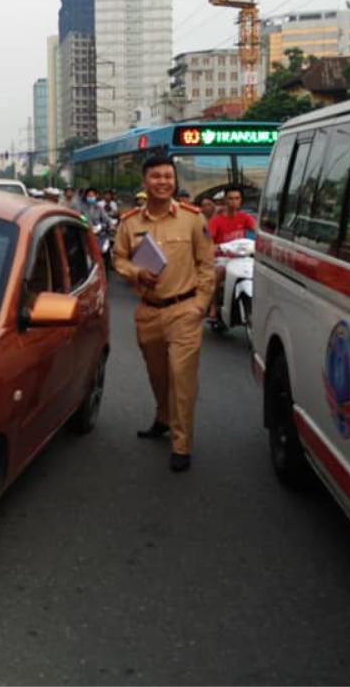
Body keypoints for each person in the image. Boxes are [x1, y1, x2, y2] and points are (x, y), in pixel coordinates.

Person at [113, 155, 215, 473]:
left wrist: (200, 303)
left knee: (181, 377)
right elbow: (118, 259)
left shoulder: (192, 218)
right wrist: (135, 273)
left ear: (175, 180)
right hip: (148, 311)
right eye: (156, 176)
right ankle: (162, 416)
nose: (163, 182)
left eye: (168, 176)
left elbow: (207, 266)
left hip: (184, 309)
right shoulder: (130, 223)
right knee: (158, 374)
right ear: (145, 182)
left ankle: (181, 444)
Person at [207, 186, 257, 321]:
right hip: (222, 258)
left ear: (241, 201)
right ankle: (213, 305)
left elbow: (258, 231)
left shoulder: (245, 218)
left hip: (241, 257)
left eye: (237, 198)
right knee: (219, 272)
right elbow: (206, 240)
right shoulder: (216, 220)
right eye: (230, 198)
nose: (234, 202)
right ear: (225, 200)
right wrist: (213, 247)